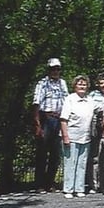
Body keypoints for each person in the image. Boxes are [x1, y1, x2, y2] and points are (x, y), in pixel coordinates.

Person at [32, 58, 69, 193]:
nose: (55, 71)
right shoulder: (42, 83)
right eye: (53, 69)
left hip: (59, 119)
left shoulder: (62, 83)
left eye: (58, 69)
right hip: (46, 118)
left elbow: (67, 100)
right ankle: (39, 184)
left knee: (55, 154)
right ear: (48, 70)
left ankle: (50, 182)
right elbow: (36, 103)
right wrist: (37, 124)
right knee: (42, 153)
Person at [60, 75, 97, 198]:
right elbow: (63, 119)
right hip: (71, 136)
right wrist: (65, 136)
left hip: (85, 136)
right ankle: (68, 189)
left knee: (82, 163)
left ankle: (79, 188)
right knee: (71, 163)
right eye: (79, 84)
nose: (82, 86)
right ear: (75, 86)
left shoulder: (90, 100)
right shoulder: (70, 99)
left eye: (84, 84)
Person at [86, 72, 104, 194]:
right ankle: (93, 185)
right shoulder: (92, 95)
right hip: (95, 126)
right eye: (101, 83)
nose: (103, 85)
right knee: (94, 156)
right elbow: (91, 109)